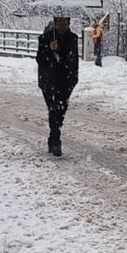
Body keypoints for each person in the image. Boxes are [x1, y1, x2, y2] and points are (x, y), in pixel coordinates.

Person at [36, 16, 79, 157]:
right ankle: (55, 141)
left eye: (64, 23)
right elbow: (40, 59)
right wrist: (49, 48)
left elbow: (74, 60)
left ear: (68, 23)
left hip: (65, 81)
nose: (61, 26)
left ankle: (53, 137)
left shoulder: (72, 38)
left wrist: (73, 79)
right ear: (54, 23)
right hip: (48, 80)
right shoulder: (45, 38)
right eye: (59, 23)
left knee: (60, 111)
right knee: (53, 108)